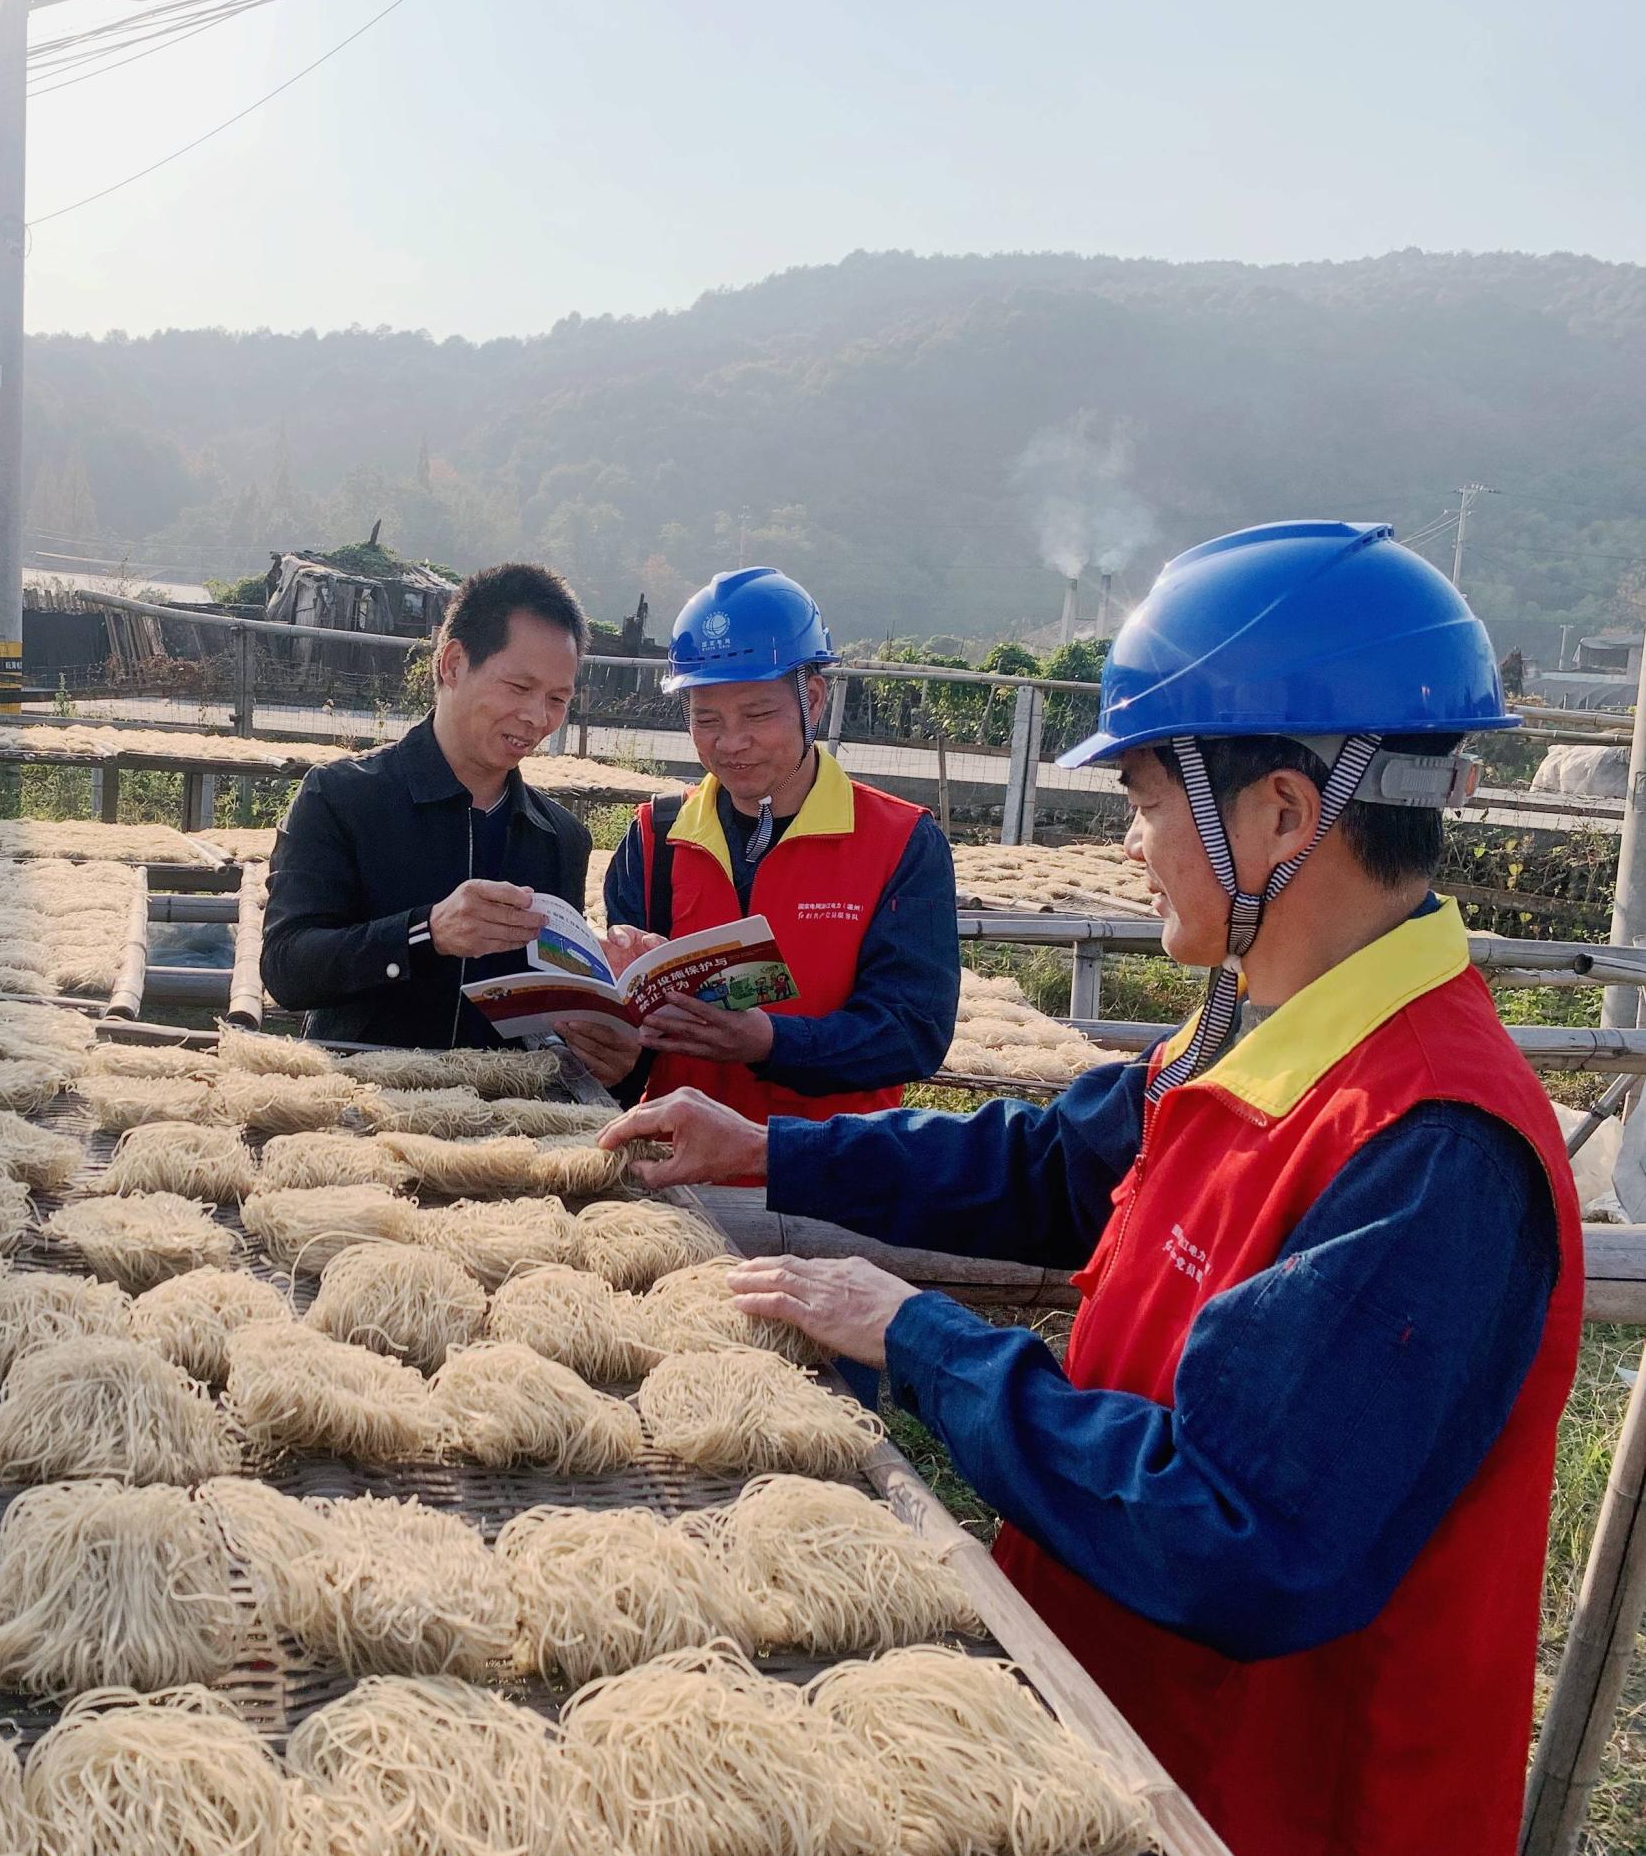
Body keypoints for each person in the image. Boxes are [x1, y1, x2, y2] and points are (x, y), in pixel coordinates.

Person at [599, 521, 1579, 1856]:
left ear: (1282, 815)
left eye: (1146, 800)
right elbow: (1045, 1163)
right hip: (1128, 1748)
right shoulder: (1250, 1028)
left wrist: (919, 1336)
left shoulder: (1435, 1146)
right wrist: (764, 1149)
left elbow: (1233, 1535)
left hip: (1273, 1809)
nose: (1129, 843)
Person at [560, 568, 956, 1128]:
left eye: (758, 714)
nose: (731, 742)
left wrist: (772, 1042)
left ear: (812, 700)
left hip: (831, 1168)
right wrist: (616, 1054)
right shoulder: (656, 837)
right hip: (674, 1163)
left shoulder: (900, 841)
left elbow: (914, 1031)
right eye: (706, 719)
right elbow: (639, 1041)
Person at [261, 561, 591, 1048]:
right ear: (453, 664)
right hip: (357, 1092)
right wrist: (425, 933)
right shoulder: (340, 796)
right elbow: (286, 968)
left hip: (509, 1096)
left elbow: (555, 1006)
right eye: (520, 688)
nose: (537, 717)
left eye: (558, 699)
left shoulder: (560, 837)